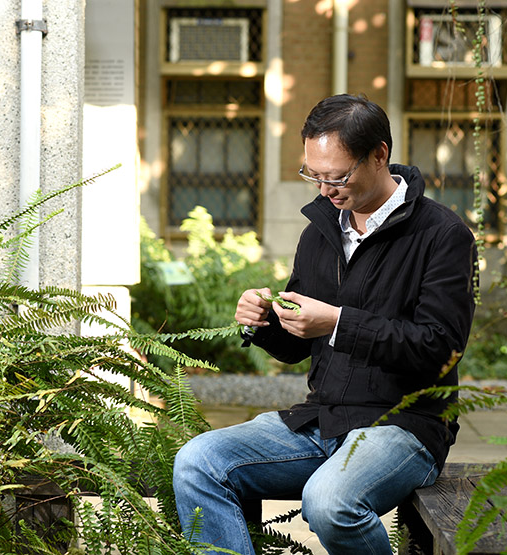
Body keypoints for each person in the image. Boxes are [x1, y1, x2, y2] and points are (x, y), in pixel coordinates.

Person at [172, 94, 477, 554]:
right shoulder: (320, 230)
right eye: (313, 175)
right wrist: (264, 321)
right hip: (323, 419)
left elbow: (439, 348)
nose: (324, 189)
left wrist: (337, 323)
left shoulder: (443, 235)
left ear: (379, 154)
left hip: (406, 427)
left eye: (336, 176)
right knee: (197, 461)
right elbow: (298, 344)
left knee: (329, 501)